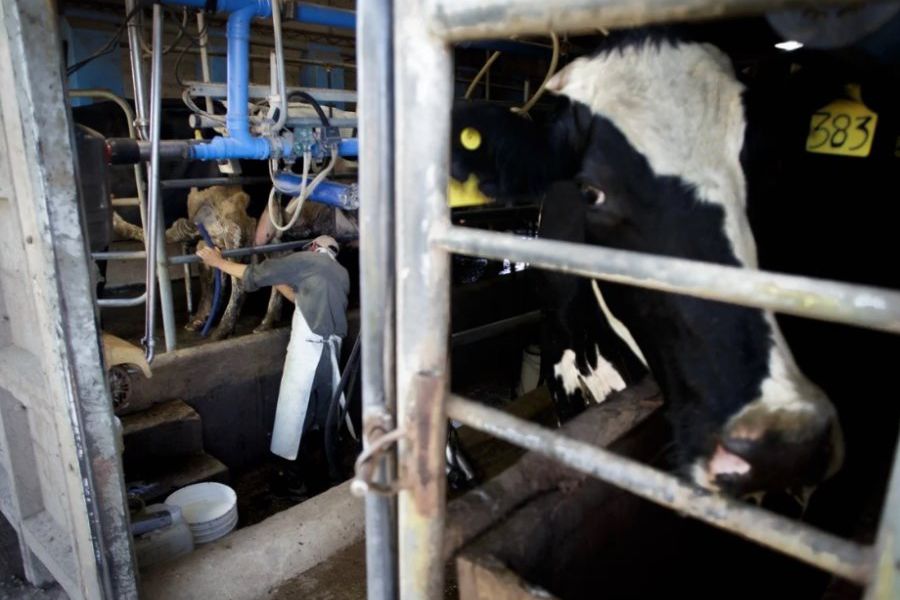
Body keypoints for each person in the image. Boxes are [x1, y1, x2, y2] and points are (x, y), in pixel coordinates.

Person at [197, 235, 350, 471]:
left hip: (308, 353)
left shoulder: (307, 260)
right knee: (327, 412)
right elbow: (304, 300)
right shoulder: (340, 273)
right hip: (332, 354)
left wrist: (218, 262)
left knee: (294, 414)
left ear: (313, 247)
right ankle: (332, 468)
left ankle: (292, 478)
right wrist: (279, 281)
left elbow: (254, 274)